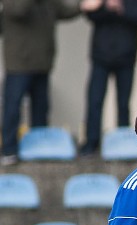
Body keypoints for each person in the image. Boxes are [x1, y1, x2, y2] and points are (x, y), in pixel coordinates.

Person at [0, 0, 82, 166]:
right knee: (12, 107)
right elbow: (19, 10)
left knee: (41, 108)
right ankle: (9, 150)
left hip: (42, 63)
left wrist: (82, 6)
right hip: (18, 64)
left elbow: (64, 11)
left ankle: (38, 148)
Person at [80, 0, 137, 156]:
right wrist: (106, 7)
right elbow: (90, 15)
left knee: (123, 103)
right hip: (100, 58)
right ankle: (91, 143)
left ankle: (121, 143)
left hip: (126, 58)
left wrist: (120, 8)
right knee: (95, 101)